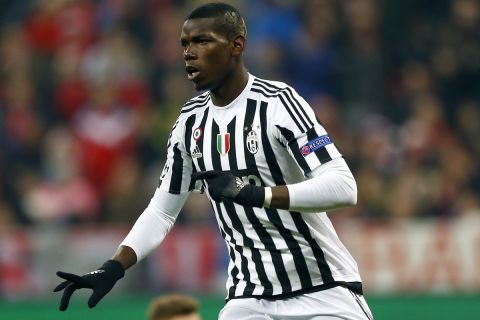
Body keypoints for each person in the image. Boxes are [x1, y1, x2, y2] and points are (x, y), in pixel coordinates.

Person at [54, 2, 374, 319]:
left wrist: (256, 194)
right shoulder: (189, 124)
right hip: (249, 298)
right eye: (185, 44)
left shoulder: (280, 104)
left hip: (323, 289)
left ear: (237, 45)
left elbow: (344, 187)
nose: (189, 52)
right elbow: (163, 210)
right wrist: (114, 266)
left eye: (202, 41)